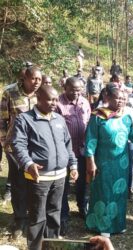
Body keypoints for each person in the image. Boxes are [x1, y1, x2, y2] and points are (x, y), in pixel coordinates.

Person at [11, 85, 78, 250]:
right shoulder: (25, 119)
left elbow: (67, 145)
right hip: (38, 177)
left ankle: (52, 245)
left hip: (60, 177)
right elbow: (18, 145)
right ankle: (35, 247)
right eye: (50, 99)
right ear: (38, 98)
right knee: (37, 216)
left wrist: (73, 165)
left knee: (54, 212)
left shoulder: (59, 119)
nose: (54, 103)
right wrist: (28, 163)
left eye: (56, 99)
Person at [85, 84, 133, 237]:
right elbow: (91, 140)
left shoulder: (126, 117)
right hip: (103, 163)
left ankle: (118, 224)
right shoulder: (98, 116)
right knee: (104, 192)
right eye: (117, 98)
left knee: (120, 193)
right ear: (107, 98)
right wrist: (90, 161)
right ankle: (103, 226)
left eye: (123, 98)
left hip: (121, 164)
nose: (120, 101)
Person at [0, 67, 42, 239]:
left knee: (35, 183)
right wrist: (4, 142)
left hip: (36, 147)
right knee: (18, 184)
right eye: (33, 79)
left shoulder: (42, 94)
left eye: (39, 79)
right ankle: (20, 219)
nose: (36, 83)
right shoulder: (10, 93)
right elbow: (2, 119)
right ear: (24, 78)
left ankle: (34, 217)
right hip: (15, 147)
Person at [56, 77, 91, 235]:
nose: (76, 93)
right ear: (65, 88)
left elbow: (89, 121)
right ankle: (63, 215)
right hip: (63, 151)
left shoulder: (85, 102)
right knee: (63, 185)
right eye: (73, 90)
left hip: (82, 150)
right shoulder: (57, 103)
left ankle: (83, 207)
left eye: (79, 90)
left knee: (83, 182)